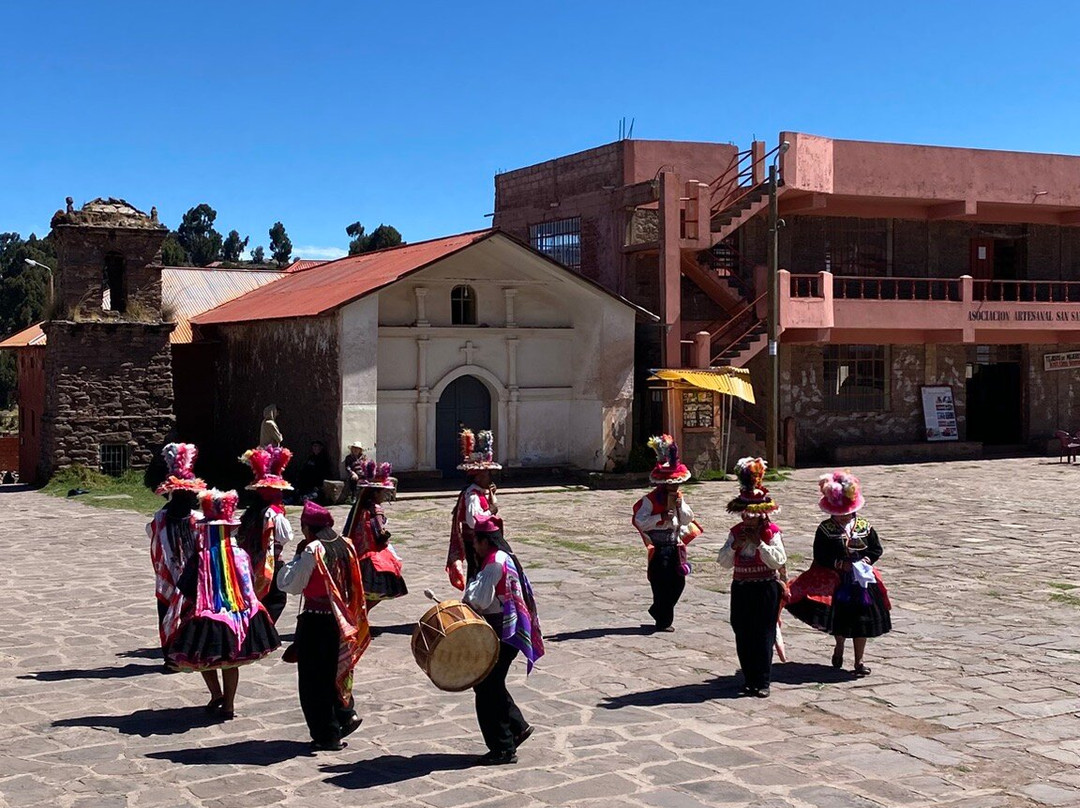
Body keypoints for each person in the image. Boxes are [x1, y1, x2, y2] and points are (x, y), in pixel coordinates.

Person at [167, 489, 280, 718]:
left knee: (202, 658)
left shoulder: (200, 557)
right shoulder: (241, 554)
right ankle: (228, 704)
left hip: (208, 615)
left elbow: (186, 587)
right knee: (231, 663)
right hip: (241, 617)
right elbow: (248, 582)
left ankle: (216, 694)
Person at [279, 502, 371, 751]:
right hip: (342, 621)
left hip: (317, 621)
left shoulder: (313, 550)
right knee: (336, 670)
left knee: (314, 681)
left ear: (308, 528)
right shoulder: (345, 545)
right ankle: (344, 714)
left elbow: (291, 585)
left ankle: (327, 734)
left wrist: (295, 558)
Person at [786, 470, 892, 677]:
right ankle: (839, 646)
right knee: (842, 620)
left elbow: (876, 548)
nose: (842, 515)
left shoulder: (864, 526)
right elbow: (820, 554)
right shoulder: (825, 529)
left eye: (845, 511)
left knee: (862, 621)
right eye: (838, 511)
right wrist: (838, 564)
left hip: (862, 581)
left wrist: (867, 559)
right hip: (837, 580)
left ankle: (859, 661)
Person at [462, 526, 543, 765]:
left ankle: (503, 748)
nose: (474, 547)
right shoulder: (504, 556)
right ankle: (517, 728)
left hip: (501, 632)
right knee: (492, 684)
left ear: (484, 541)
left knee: (486, 688)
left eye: (475, 541)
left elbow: (479, 600)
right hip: (510, 630)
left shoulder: (494, 563)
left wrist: (467, 595)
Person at [717, 457, 787, 697]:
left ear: (761, 514)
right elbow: (724, 563)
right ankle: (749, 677)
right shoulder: (735, 533)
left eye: (752, 515)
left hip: (765, 587)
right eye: (744, 515)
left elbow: (778, 560)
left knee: (764, 633)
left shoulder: (771, 533)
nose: (747, 519)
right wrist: (734, 546)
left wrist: (760, 545)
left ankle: (762, 681)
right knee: (742, 631)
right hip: (742, 587)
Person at [632, 435, 699, 632]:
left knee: (678, 583)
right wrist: (660, 517)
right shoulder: (650, 501)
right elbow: (640, 521)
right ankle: (663, 621)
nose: (675, 487)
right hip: (660, 547)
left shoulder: (679, 498)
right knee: (660, 585)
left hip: (675, 546)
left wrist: (680, 506)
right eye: (672, 484)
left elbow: (688, 519)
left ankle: (658, 609)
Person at [147, 443, 205, 671]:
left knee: (167, 615)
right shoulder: (198, 520)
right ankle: (185, 655)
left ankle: (171, 656)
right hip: (190, 578)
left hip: (169, 578)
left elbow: (150, 535)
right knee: (187, 614)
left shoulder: (160, 518)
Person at [342, 460, 407, 628]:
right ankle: (360, 618)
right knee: (378, 591)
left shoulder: (361, 508)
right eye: (383, 492)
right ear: (376, 493)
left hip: (359, 553)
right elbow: (380, 534)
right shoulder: (376, 510)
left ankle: (359, 617)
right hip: (372, 555)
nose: (385, 496)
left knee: (362, 593)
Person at [237, 446, 294, 623]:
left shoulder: (252, 512)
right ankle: (262, 632)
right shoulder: (273, 513)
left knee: (258, 599)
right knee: (277, 599)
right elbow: (286, 537)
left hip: (251, 561)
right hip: (269, 563)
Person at [447, 429, 502, 591]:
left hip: (479, 541)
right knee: (477, 574)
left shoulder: (478, 492)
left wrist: (492, 498)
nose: (489, 477)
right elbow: (473, 520)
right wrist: (491, 511)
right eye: (486, 475)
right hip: (475, 542)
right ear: (477, 476)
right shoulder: (472, 495)